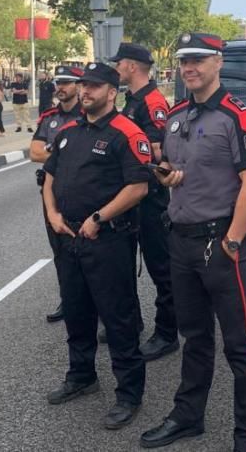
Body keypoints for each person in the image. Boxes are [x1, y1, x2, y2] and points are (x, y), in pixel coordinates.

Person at [140, 33, 246, 452]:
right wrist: (165, 173)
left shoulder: (237, 116)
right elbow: (168, 166)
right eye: (183, 61)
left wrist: (233, 241)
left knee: (241, 346)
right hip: (181, 241)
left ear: (218, 62)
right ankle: (188, 416)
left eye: (197, 60)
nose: (188, 68)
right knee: (194, 337)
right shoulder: (176, 115)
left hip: (221, 245)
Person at [42, 62, 151, 431]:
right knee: (76, 310)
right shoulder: (70, 131)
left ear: (111, 91)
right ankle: (82, 375)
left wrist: (99, 218)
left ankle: (129, 393)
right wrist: (53, 214)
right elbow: (50, 177)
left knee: (118, 318)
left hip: (107, 239)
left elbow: (138, 187)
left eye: (93, 86)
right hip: (68, 237)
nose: (84, 91)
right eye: (82, 85)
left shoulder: (125, 133)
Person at [110, 42, 178, 361]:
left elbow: (159, 150)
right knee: (123, 264)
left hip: (150, 197)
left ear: (133, 66)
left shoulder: (151, 101)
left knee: (161, 267)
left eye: (119, 64)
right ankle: (132, 322)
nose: (117, 69)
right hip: (130, 194)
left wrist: (124, 151)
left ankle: (167, 333)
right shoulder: (133, 99)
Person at [30, 66, 83, 324]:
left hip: (83, 192)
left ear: (78, 86)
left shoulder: (87, 115)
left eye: (67, 82)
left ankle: (97, 302)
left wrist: (57, 154)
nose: (60, 87)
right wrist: (69, 155)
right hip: (52, 191)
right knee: (60, 250)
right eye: (58, 82)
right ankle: (69, 298)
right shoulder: (49, 117)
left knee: (89, 250)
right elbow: (35, 153)